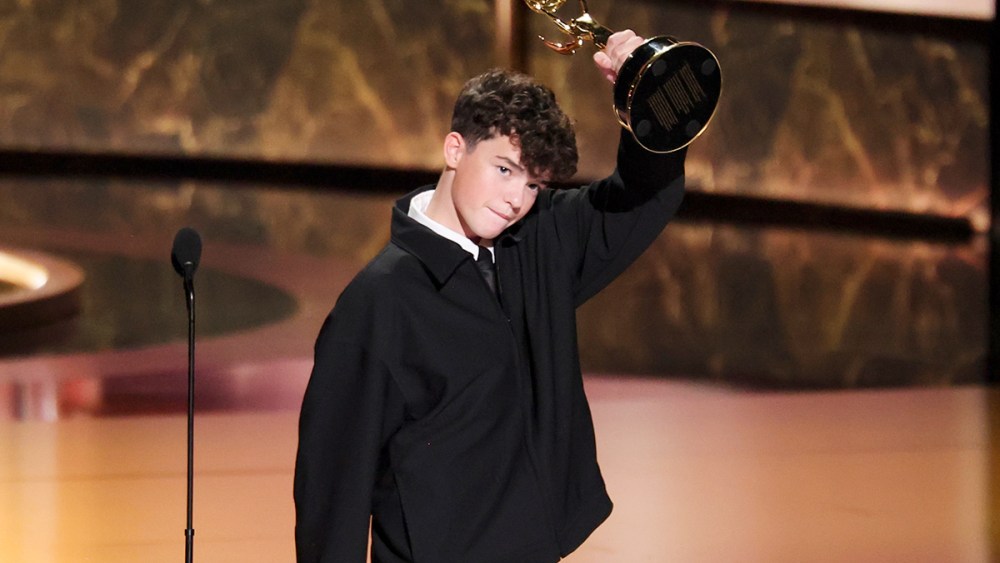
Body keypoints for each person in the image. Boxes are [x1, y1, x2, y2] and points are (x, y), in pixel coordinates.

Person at [294, 30, 687, 563]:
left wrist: (651, 95)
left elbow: (642, 198)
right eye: (504, 170)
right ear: (455, 149)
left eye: (533, 185)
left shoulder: (539, 242)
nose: (515, 200)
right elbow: (333, 490)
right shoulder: (377, 304)